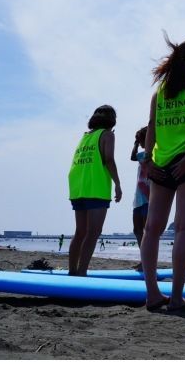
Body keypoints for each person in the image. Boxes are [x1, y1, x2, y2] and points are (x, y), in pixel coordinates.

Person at [140, 36, 185, 312]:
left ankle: (152, 295)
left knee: (152, 230)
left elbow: (151, 124)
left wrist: (147, 159)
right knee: (184, 228)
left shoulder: (160, 91)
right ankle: (175, 298)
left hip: (160, 161)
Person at [67, 105, 123, 276]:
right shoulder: (107, 134)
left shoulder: (85, 137)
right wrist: (118, 184)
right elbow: (109, 160)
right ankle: (82, 271)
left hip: (77, 187)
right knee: (93, 232)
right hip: (96, 188)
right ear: (112, 120)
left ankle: (72, 271)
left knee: (80, 232)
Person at [130, 126, 151, 254]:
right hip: (138, 198)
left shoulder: (155, 153)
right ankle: (144, 257)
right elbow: (133, 157)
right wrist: (136, 144)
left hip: (149, 198)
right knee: (137, 230)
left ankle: (147, 260)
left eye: (141, 140)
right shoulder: (141, 155)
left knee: (147, 230)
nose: (141, 143)